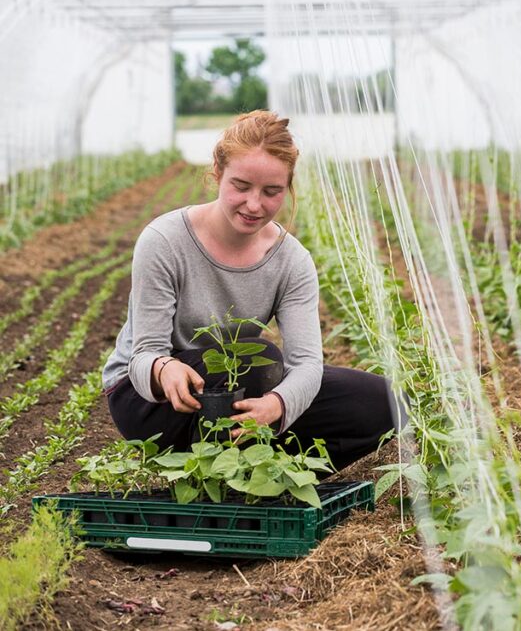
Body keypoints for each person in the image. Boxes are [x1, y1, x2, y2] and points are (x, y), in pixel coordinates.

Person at [101, 110, 402, 470]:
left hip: (239, 385)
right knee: (257, 361)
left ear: (287, 188)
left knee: (384, 400)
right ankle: (212, 473)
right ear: (217, 173)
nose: (254, 205)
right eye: (241, 186)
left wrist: (277, 404)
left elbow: (307, 363)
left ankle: (270, 474)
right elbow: (144, 354)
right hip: (151, 399)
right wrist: (164, 368)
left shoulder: (291, 261)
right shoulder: (164, 241)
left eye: (272, 191)